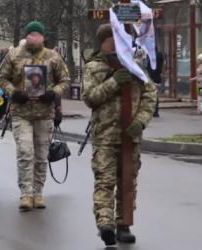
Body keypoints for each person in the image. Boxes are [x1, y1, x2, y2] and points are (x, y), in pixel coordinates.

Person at [82, 24, 157, 246]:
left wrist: (141, 121)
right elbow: (90, 97)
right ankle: (106, 225)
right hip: (105, 134)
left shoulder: (136, 66)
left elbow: (150, 95)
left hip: (129, 135)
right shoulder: (94, 67)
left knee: (128, 181)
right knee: (104, 181)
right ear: (103, 42)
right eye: (111, 39)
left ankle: (124, 223)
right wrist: (113, 82)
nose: (116, 43)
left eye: (120, 39)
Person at [0, 21, 70, 211]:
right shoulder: (14, 55)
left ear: (43, 37)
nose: (34, 38)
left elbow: (64, 80)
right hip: (21, 112)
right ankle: (26, 194)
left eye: (38, 35)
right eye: (31, 35)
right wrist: (13, 92)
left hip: (44, 113)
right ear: (26, 36)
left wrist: (54, 93)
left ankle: (38, 193)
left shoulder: (52, 57)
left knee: (41, 155)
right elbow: (2, 78)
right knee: (25, 152)